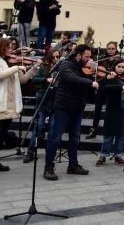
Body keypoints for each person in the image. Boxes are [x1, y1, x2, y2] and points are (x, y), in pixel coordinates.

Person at [0, 39, 38, 177]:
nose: (11, 50)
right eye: (9, 47)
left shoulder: (9, 63)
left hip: (10, 104)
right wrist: (17, 67)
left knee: (2, 135)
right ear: (1, 48)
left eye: (12, 47)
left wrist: (34, 68)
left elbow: (23, 80)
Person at [43, 44, 98, 181]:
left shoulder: (86, 68)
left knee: (75, 137)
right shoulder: (65, 64)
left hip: (77, 107)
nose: (89, 59)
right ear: (78, 56)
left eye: (90, 57)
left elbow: (88, 85)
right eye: (87, 57)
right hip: (62, 106)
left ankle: (73, 165)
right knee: (54, 138)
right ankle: (48, 167)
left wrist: (93, 75)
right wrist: (90, 83)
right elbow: (72, 79)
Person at [24, 47, 59, 162]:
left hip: (56, 100)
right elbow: (34, 79)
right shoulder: (44, 66)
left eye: (57, 57)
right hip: (44, 98)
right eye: (53, 57)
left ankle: (50, 154)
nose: (55, 59)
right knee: (38, 126)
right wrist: (46, 79)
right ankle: (31, 151)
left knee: (54, 128)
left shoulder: (61, 68)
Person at [95, 61, 124, 166]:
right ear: (114, 67)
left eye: (123, 67)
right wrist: (119, 86)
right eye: (119, 66)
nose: (121, 69)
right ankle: (103, 155)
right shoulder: (110, 77)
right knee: (109, 134)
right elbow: (105, 88)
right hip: (112, 108)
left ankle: (118, 155)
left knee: (121, 134)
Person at [87, 41, 122, 139]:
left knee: (111, 109)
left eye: (113, 49)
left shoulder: (119, 59)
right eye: (109, 49)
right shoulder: (101, 58)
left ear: (116, 49)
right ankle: (94, 129)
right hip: (102, 85)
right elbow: (93, 67)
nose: (111, 51)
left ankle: (110, 131)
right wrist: (93, 64)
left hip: (113, 87)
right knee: (97, 107)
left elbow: (122, 69)